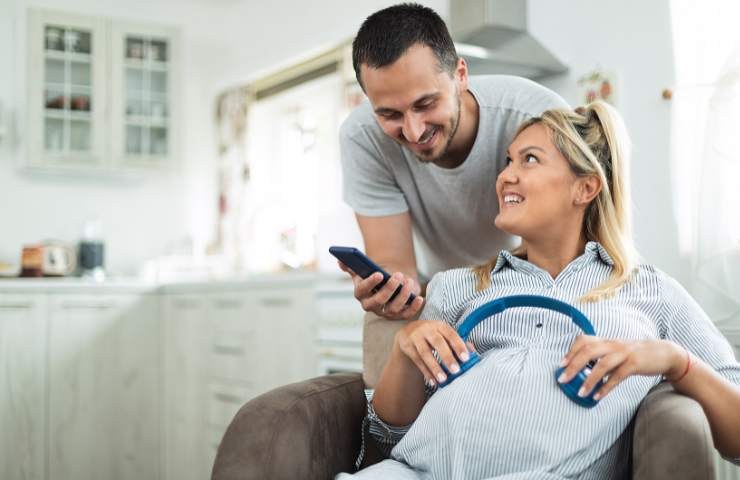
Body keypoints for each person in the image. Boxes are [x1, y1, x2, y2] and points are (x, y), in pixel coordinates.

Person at [337, 101, 740, 479]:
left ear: (585, 189)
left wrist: (675, 361)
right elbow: (384, 438)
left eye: (529, 159)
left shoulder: (651, 291)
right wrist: (405, 350)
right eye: (508, 160)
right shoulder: (457, 285)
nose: (505, 176)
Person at [339, 3, 567, 385]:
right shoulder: (362, 138)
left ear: (460, 75)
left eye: (425, 104)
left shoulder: (535, 116)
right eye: (390, 115)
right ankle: (387, 442)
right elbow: (398, 267)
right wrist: (393, 293)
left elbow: (566, 250)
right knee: (384, 320)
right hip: (438, 288)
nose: (412, 131)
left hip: (533, 275)